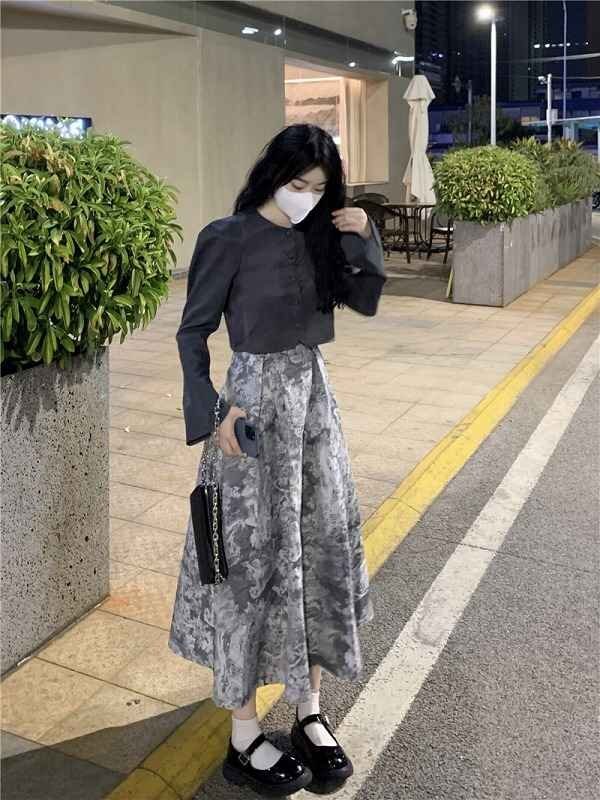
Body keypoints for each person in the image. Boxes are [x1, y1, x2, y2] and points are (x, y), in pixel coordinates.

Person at [168, 123, 387, 796]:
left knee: (315, 550)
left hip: (313, 407)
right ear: (273, 175)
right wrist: (214, 411)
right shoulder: (227, 236)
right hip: (253, 410)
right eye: (298, 184)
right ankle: (243, 735)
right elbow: (192, 331)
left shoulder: (321, 235)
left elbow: (366, 299)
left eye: (319, 188)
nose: (307, 197)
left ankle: (310, 712)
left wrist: (364, 236)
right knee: (249, 562)